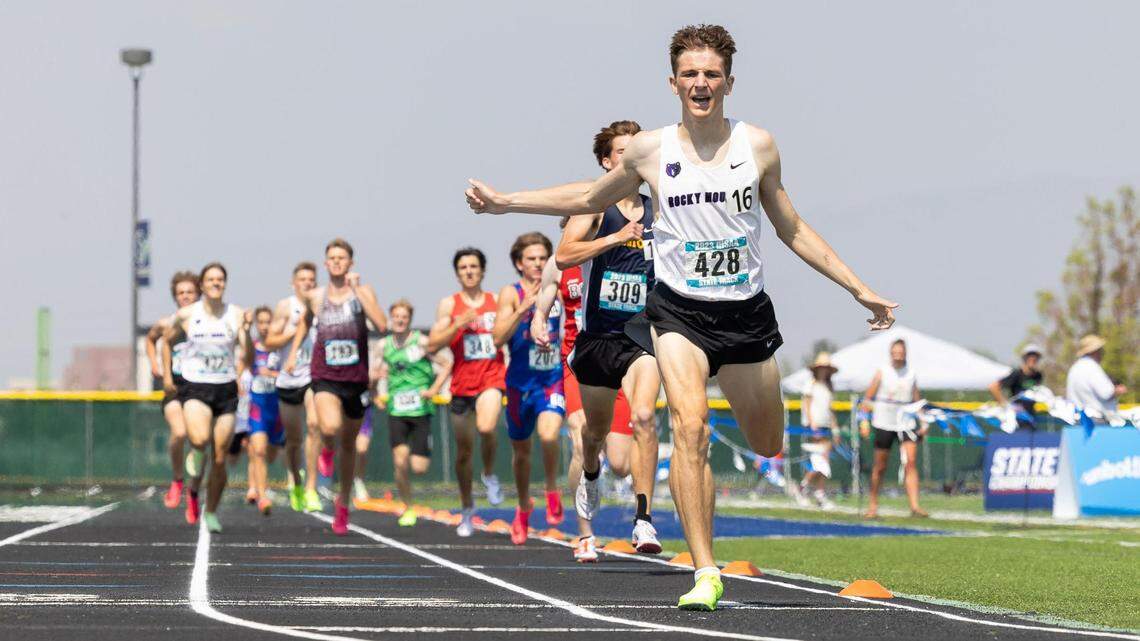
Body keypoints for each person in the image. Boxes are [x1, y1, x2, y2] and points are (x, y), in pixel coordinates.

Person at [465, 24, 898, 610]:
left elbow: (791, 227)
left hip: (745, 314)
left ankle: (707, 530)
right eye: (690, 74)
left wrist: (859, 288)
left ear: (729, 82)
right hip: (676, 313)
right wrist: (506, 203)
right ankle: (706, 569)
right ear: (673, 83)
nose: (701, 84)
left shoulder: (759, 145)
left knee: (768, 442)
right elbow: (589, 199)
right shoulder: (650, 150)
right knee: (688, 428)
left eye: (711, 74)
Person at [531, 119, 662, 561]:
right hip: (597, 339)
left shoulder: (659, 208)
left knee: (645, 417)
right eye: (622, 152)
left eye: (637, 151)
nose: (631, 159)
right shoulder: (594, 207)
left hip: (642, 336)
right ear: (607, 162)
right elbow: (565, 255)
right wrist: (615, 238)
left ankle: (643, 518)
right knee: (594, 436)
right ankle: (590, 473)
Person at [534, 237, 636, 562]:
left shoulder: (621, 255)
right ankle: (585, 535)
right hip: (576, 363)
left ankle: (602, 473)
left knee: (621, 465)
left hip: (617, 359)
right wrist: (539, 322)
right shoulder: (560, 262)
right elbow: (544, 301)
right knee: (580, 439)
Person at [285, 238, 388, 535]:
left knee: (350, 446)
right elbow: (305, 323)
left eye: (342, 258)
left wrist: (358, 291)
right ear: (326, 263)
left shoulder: (363, 292)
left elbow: (381, 325)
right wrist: (293, 354)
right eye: (332, 258)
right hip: (325, 376)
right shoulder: (316, 297)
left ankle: (342, 505)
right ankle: (325, 451)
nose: (337, 262)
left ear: (351, 263)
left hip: (355, 379)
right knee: (329, 428)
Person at [163, 262, 251, 533]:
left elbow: (246, 354)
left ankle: (211, 511)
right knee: (199, 439)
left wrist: (246, 332)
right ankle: (196, 459)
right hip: (195, 386)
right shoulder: (188, 314)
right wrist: (166, 375)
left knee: (221, 458)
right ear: (202, 285)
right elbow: (165, 340)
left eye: (220, 279)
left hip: (224, 389)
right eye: (211, 279)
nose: (216, 283)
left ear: (225, 283)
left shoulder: (235, 314)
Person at [427, 248, 508, 537]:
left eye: (474, 266)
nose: (469, 271)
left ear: (483, 271)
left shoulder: (496, 301)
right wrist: (457, 324)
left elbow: (508, 329)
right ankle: (467, 507)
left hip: (491, 377)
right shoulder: (449, 305)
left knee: (487, 428)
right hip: (461, 384)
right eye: (463, 267)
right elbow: (432, 344)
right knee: (463, 453)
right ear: (458, 273)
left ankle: (488, 473)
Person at [492, 232, 566, 545]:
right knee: (521, 454)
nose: (537, 264)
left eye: (542, 258)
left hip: (551, 378)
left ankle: (551, 487)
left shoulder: (560, 289)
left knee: (549, 435)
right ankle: (523, 507)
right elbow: (497, 338)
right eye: (531, 259)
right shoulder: (510, 293)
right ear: (519, 263)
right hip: (520, 383)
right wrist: (523, 308)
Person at [374, 299, 452, 526]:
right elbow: (375, 371)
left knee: (418, 468)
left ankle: (423, 448)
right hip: (396, 410)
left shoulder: (421, 342)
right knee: (400, 462)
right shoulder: (383, 345)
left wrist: (435, 389)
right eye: (396, 316)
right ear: (391, 318)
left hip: (420, 409)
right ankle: (408, 507)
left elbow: (446, 363)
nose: (399, 320)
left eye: (404, 317)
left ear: (409, 320)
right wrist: (376, 391)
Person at [263, 262, 320, 512]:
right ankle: (296, 482)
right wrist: (292, 333)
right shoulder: (286, 307)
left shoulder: (321, 304)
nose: (307, 283)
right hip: (288, 379)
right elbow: (269, 342)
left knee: (315, 425)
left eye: (311, 279)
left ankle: (311, 487)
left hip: (314, 375)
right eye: (302, 279)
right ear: (293, 283)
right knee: (294, 440)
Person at [145, 271, 200, 510]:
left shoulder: (205, 323)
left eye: (190, 292)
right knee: (179, 433)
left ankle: (194, 489)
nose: (185, 296)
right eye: (181, 293)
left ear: (198, 294)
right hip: (174, 386)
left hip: (200, 387)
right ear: (175, 297)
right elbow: (150, 339)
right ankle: (178, 480)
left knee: (199, 440)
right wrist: (155, 364)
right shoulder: (166, 323)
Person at [860, 339, 925, 519]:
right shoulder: (882, 372)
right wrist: (864, 422)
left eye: (901, 352)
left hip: (906, 424)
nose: (898, 355)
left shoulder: (911, 373)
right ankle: (873, 505)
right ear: (891, 353)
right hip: (884, 422)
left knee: (910, 462)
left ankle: (915, 506)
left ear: (905, 353)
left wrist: (923, 422)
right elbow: (867, 399)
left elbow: (917, 400)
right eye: (895, 352)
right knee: (880, 466)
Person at [245, 306, 286, 515]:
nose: (264, 326)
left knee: (269, 455)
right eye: (260, 322)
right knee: (258, 450)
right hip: (257, 408)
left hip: (277, 409)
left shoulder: (281, 349)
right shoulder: (252, 348)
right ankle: (262, 495)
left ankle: (256, 484)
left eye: (267, 322)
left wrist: (271, 374)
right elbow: (242, 367)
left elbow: (289, 372)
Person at [798, 352, 840, 509]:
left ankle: (819, 493)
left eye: (826, 368)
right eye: (822, 368)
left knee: (824, 462)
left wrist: (835, 429)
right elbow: (806, 405)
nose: (824, 371)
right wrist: (812, 424)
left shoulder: (829, 386)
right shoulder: (810, 384)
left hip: (826, 426)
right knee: (818, 461)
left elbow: (830, 410)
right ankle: (804, 488)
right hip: (813, 427)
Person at [1066, 334, 1127, 420]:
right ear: (1095, 351)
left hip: (1077, 419)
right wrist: (1118, 390)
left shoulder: (1075, 368)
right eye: (1100, 349)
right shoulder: (1092, 367)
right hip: (1096, 420)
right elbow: (1106, 393)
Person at [988, 344, 1044, 429]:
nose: (1033, 358)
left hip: (1030, 418)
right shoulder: (1017, 374)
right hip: (1016, 419)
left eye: (1035, 356)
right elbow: (993, 387)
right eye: (1030, 355)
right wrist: (1004, 404)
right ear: (1024, 358)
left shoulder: (1038, 376)